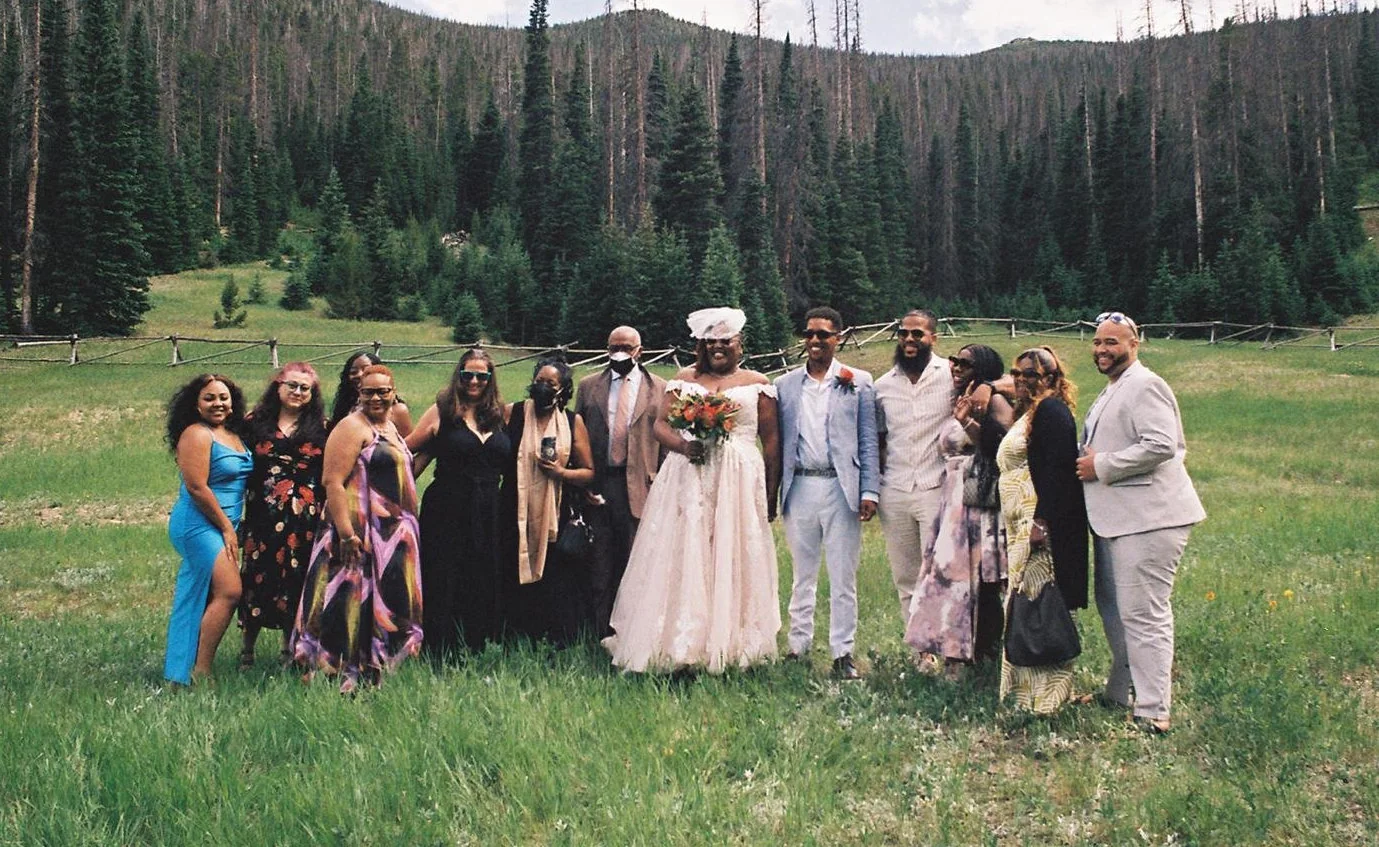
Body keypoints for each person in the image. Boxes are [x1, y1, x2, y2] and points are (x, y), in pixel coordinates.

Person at [603, 307, 782, 673]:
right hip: (689, 476)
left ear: (739, 343)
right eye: (710, 342)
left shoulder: (757, 382)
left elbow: (771, 440)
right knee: (688, 550)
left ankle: (731, 639)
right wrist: (685, 446)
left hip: (738, 478)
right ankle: (680, 639)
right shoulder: (685, 379)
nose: (718, 348)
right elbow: (660, 427)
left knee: (732, 550)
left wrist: (770, 490)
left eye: (725, 342)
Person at [1076, 311, 1205, 735]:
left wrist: (1103, 465)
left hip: (1150, 519)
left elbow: (1163, 445)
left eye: (1112, 343)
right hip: (1117, 520)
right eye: (1098, 343)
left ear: (1135, 343)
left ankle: (1153, 710)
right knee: (1114, 608)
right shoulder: (1113, 389)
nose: (1102, 350)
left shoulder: (1147, 384)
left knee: (1145, 613)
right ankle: (1120, 691)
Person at [293, 365, 423, 692]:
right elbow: (332, 482)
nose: (376, 398)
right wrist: (347, 533)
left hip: (391, 534)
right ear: (359, 394)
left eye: (383, 391)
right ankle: (335, 667)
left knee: (384, 597)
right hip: (357, 530)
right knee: (348, 597)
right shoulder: (351, 427)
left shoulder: (392, 426)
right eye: (369, 392)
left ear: (394, 392)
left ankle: (375, 663)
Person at [774, 306, 879, 680]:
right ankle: (797, 646)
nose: (815, 341)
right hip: (800, 483)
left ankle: (843, 652)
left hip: (841, 486)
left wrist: (869, 489)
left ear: (838, 337)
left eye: (823, 334)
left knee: (842, 574)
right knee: (802, 573)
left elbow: (868, 441)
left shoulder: (859, 382)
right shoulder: (785, 385)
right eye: (809, 334)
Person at [905, 344, 1013, 676]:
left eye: (965, 362)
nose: (955, 366)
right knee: (948, 577)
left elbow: (1001, 446)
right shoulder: (961, 394)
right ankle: (951, 648)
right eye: (954, 360)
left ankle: (981, 654)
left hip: (978, 498)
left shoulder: (992, 398)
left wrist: (968, 422)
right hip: (952, 498)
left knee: (975, 578)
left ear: (982, 367)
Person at [997, 347, 1088, 714]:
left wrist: (1041, 521)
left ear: (1051, 379)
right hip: (1020, 524)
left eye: (1030, 375)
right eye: (1017, 373)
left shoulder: (1051, 410)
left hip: (1038, 526)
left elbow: (1058, 472)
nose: (1020, 380)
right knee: (1023, 604)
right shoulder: (1031, 411)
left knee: (1040, 608)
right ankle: (1022, 693)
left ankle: (1046, 699)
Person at [408, 349, 511, 654]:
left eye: (482, 375)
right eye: (468, 375)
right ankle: (438, 644)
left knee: (480, 572)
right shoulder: (442, 410)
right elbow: (407, 452)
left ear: (491, 379)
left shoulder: (500, 414)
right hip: (447, 505)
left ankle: (474, 641)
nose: (475, 381)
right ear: (459, 375)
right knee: (444, 571)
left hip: (488, 505)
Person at [574, 326, 667, 639]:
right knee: (599, 562)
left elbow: (665, 443)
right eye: (614, 346)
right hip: (600, 483)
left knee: (635, 560)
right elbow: (576, 435)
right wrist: (581, 481)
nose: (620, 352)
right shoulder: (588, 387)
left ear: (640, 350)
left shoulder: (660, 389)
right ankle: (599, 631)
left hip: (642, 485)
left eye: (627, 347)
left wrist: (664, 486)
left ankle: (631, 631)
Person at [237, 363, 328, 670]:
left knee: (296, 580)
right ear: (278, 386)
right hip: (263, 516)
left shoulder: (322, 427)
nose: (298, 392)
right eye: (292, 385)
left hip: (305, 519)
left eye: (305, 388)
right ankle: (247, 649)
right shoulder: (254, 423)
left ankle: (289, 651)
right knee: (256, 577)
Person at [163, 373, 253, 685]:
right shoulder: (197, 434)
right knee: (230, 591)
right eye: (209, 398)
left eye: (223, 397)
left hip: (223, 524)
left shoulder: (233, 433)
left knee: (195, 595)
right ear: (196, 405)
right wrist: (228, 529)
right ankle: (200, 671)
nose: (218, 403)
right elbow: (198, 488)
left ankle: (179, 672)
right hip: (198, 523)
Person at [502, 357, 596, 645]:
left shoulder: (571, 422)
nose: (542, 388)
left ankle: (555, 636)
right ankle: (515, 633)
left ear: (562, 389)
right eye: (539, 381)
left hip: (556, 507)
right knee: (512, 569)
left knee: (556, 576)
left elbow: (589, 473)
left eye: (550, 384)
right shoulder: (513, 413)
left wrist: (560, 472)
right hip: (513, 504)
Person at [874, 310, 953, 625]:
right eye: (904, 333)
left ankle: (947, 650)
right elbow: (877, 440)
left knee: (939, 573)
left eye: (917, 334)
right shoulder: (882, 386)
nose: (909, 340)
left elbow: (996, 380)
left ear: (933, 338)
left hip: (937, 488)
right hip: (895, 490)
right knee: (905, 577)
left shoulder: (950, 374)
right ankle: (920, 654)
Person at [329, 351, 413, 437]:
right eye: (354, 372)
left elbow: (407, 447)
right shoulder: (346, 407)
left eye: (366, 370)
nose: (360, 374)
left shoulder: (397, 410)